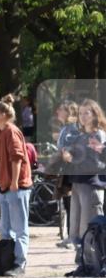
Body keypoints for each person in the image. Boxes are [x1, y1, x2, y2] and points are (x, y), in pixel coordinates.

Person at [0, 98, 33, 277]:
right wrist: (2, 182)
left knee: (20, 227)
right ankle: (5, 261)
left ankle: (19, 263)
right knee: (5, 227)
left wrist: (15, 181)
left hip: (18, 186)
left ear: (4, 115)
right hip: (4, 185)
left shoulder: (12, 131)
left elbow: (17, 158)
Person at [60, 99, 106, 250]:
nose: (83, 116)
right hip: (78, 184)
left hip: (91, 185)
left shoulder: (97, 135)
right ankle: (83, 263)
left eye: (87, 112)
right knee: (76, 230)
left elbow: (95, 164)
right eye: (80, 113)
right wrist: (66, 155)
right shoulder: (81, 136)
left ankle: (94, 263)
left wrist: (72, 159)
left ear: (95, 114)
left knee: (90, 228)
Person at [54, 100, 80, 248]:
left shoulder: (73, 128)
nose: (57, 111)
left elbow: (72, 148)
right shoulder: (66, 128)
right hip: (65, 169)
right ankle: (71, 236)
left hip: (71, 170)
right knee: (68, 203)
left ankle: (73, 237)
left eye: (61, 109)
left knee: (71, 204)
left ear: (68, 112)